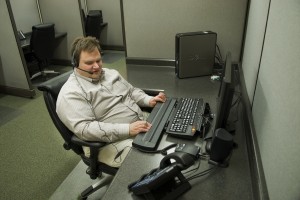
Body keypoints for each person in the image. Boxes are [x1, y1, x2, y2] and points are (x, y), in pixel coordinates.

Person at [56, 36, 166, 167]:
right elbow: (85, 129)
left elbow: (131, 91)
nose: (96, 67)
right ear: (75, 63)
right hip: (109, 144)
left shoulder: (110, 73)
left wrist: (149, 100)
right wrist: (127, 129)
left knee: (173, 132)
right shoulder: (71, 93)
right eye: (89, 63)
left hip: (140, 124)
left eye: (98, 60)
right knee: (155, 159)